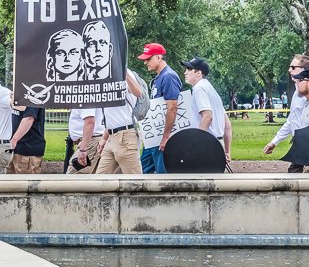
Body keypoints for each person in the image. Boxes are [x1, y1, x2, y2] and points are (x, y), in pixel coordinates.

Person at [264, 54, 309, 173]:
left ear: (303, 70)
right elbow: (291, 121)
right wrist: (274, 142)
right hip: (302, 144)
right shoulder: (298, 91)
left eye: (293, 67)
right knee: (294, 175)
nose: (289, 70)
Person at [138, 42, 181, 174]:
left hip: (162, 135)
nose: (145, 63)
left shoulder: (168, 76)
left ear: (159, 57)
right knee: (143, 169)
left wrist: (166, 137)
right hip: (153, 135)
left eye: (148, 59)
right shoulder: (159, 77)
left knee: (163, 174)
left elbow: (172, 107)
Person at [94, 70, 145, 174]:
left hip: (126, 135)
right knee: (100, 180)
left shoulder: (126, 73)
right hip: (111, 137)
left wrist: (123, 71)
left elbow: (138, 92)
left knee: (134, 181)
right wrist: (104, 138)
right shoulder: (104, 75)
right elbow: (112, 115)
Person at [182, 57, 232, 162]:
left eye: (189, 69)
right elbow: (227, 124)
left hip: (206, 145)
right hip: (217, 143)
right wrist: (227, 151)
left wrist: (197, 142)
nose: (185, 73)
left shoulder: (199, 88)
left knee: (199, 177)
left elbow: (207, 116)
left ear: (199, 73)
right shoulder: (210, 89)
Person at [8, 101, 46, 174]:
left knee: (24, 184)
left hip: (27, 149)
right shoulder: (20, 94)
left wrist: (13, 140)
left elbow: (29, 118)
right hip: (15, 148)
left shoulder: (33, 95)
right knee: (11, 184)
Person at [65, 107, 105, 174]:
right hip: (92, 141)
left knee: (73, 177)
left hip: (91, 142)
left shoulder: (86, 99)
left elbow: (90, 122)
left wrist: (83, 149)